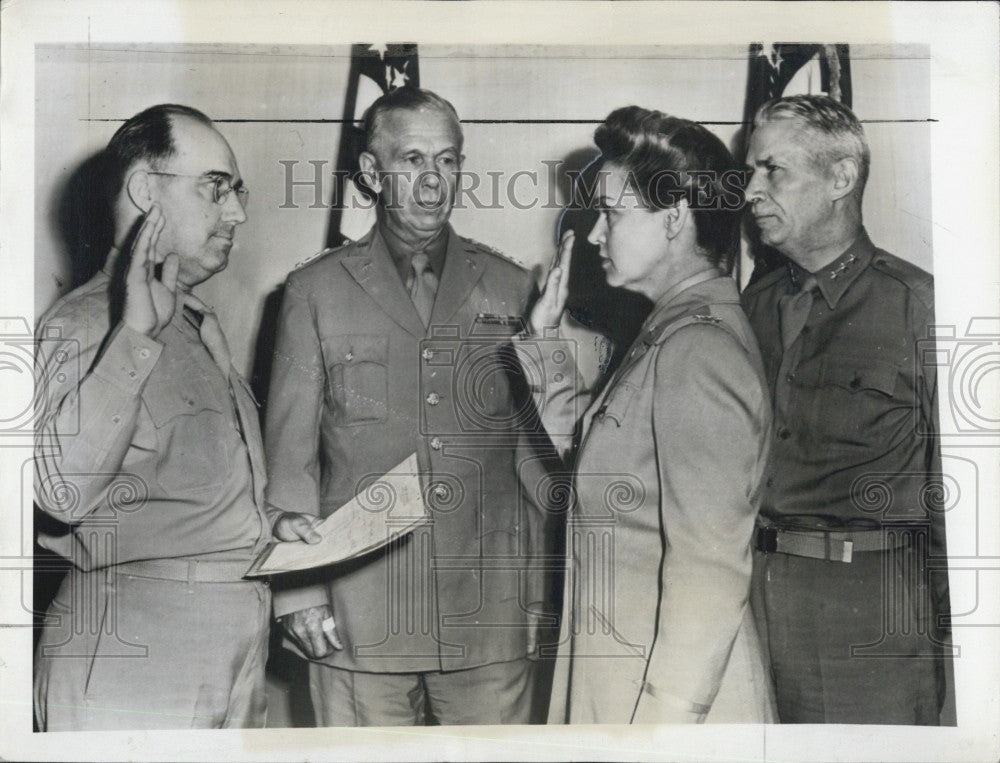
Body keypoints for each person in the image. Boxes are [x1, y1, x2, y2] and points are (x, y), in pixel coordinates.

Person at [33, 104, 320, 731]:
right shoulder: (85, 324)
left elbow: (179, 490)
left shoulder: (196, 325)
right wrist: (135, 333)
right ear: (144, 191)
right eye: (216, 188)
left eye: (237, 192)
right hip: (133, 652)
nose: (238, 212)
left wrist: (272, 523)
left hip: (231, 649)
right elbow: (59, 493)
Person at [264, 87, 544, 726]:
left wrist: (538, 593)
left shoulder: (512, 287)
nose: (433, 182)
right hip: (359, 615)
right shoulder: (313, 291)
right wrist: (298, 594)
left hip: (489, 616)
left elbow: (534, 455)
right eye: (412, 160)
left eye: (448, 162)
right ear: (370, 173)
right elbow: (290, 460)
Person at [521, 106, 775, 724]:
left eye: (612, 214)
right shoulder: (671, 331)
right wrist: (547, 344)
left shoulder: (698, 350)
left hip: (661, 700)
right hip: (623, 675)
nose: (598, 234)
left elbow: (709, 569)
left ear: (674, 218)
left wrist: (668, 727)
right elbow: (601, 466)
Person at [741, 94, 949, 724]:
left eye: (771, 170)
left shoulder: (920, 307)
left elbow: (967, 495)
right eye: (750, 169)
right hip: (752, 595)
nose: (749, 190)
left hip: (871, 613)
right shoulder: (752, 305)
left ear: (840, 177)